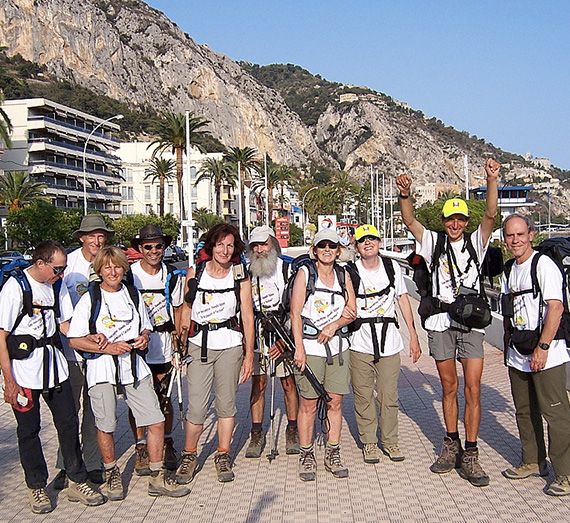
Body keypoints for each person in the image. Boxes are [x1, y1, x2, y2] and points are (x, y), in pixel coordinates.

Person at [396, 158, 499, 487]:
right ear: (443, 220)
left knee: (473, 388)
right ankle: (450, 443)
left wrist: (492, 180)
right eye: (450, 219)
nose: (455, 224)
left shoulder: (476, 244)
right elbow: (410, 220)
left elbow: (491, 215)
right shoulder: (433, 243)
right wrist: (405, 194)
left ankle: (471, 452)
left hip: (471, 324)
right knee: (449, 387)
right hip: (440, 321)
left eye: (460, 219)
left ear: (466, 222)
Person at [67, 246, 190, 499]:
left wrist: (144, 338)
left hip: (134, 367)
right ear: (99, 270)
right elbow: (75, 340)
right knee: (107, 424)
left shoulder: (132, 294)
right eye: (107, 267)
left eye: (117, 266)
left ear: (124, 269)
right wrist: (109, 348)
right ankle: (112, 473)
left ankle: (156, 477)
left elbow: (145, 328)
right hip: (102, 369)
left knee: (155, 420)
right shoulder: (90, 298)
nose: (113, 271)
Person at [0, 241, 105, 514]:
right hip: (24, 371)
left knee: (68, 424)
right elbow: (1, 336)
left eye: (64, 268)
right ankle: (36, 487)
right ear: (40, 263)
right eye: (57, 269)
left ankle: (76, 479)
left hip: (55, 368)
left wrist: (88, 338)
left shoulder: (55, 286)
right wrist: (8, 380)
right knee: (29, 431)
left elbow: (65, 323)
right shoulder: (15, 288)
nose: (61, 274)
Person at [177, 224, 254, 484]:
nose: (224, 250)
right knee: (196, 406)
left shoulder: (240, 275)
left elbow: (247, 315)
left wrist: (249, 355)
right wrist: (181, 344)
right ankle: (189, 455)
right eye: (220, 244)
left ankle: (223, 454)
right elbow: (185, 310)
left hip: (230, 344)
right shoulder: (196, 272)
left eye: (230, 245)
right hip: (200, 345)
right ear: (211, 246)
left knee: (227, 404)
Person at [501, 214, 570, 496]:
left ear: (531, 234)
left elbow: (556, 308)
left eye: (520, 234)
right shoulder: (509, 270)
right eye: (510, 236)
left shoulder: (543, 265)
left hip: (547, 353)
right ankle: (532, 460)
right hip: (518, 351)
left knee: (556, 414)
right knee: (525, 410)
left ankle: (565, 473)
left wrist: (542, 348)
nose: (515, 240)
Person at [348, 224, 421, 464]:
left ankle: (390, 441)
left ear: (379, 242)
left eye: (371, 239)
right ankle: (369, 442)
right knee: (363, 395)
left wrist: (413, 334)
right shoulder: (350, 271)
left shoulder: (392, 268)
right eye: (362, 240)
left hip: (389, 341)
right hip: (360, 341)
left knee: (389, 395)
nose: (367, 243)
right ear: (356, 246)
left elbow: (403, 299)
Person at [54, 214, 114, 489]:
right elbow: (58, 313)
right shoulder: (68, 265)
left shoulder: (110, 263)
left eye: (101, 236)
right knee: (68, 412)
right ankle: (67, 466)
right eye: (92, 236)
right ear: (82, 238)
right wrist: (81, 337)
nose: (97, 241)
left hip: (102, 354)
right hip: (72, 353)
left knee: (94, 412)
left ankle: (91, 463)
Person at [291, 229, 356, 481]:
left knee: (335, 402)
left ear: (338, 250)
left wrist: (333, 326)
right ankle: (306, 453)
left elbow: (352, 310)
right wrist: (299, 347)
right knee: (308, 403)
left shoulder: (344, 275)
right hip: (310, 348)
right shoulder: (305, 274)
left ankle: (333, 451)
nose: (327, 250)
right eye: (322, 246)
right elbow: (295, 313)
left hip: (339, 348)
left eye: (332, 246)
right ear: (314, 250)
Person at [128, 225, 185, 474]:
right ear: (140, 249)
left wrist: (179, 344)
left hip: (162, 343)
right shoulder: (129, 275)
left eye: (158, 246)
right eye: (148, 247)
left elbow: (179, 309)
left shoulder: (171, 275)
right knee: (138, 399)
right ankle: (141, 446)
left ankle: (167, 442)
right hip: (137, 344)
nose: (154, 251)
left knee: (164, 396)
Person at [244, 225, 299, 458]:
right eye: (255, 245)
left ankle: (293, 428)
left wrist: (286, 341)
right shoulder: (246, 271)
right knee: (259, 383)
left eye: (264, 244)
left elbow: (297, 307)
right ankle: (256, 432)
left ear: (273, 244)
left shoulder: (287, 269)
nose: (260, 249)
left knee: (288, 382)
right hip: (257, 330)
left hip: (282, 329)